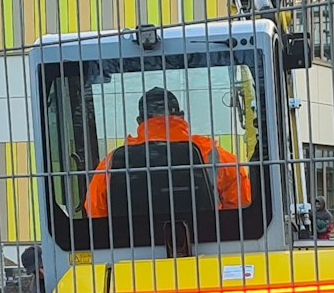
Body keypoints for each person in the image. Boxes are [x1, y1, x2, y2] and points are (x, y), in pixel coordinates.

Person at [83, 88, 252, 218]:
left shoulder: (112, 163)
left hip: (132, 254)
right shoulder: (216, 156)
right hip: (209, 247)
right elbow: (241, 208)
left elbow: (95, 211)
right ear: (181, 116)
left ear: (140, 121)